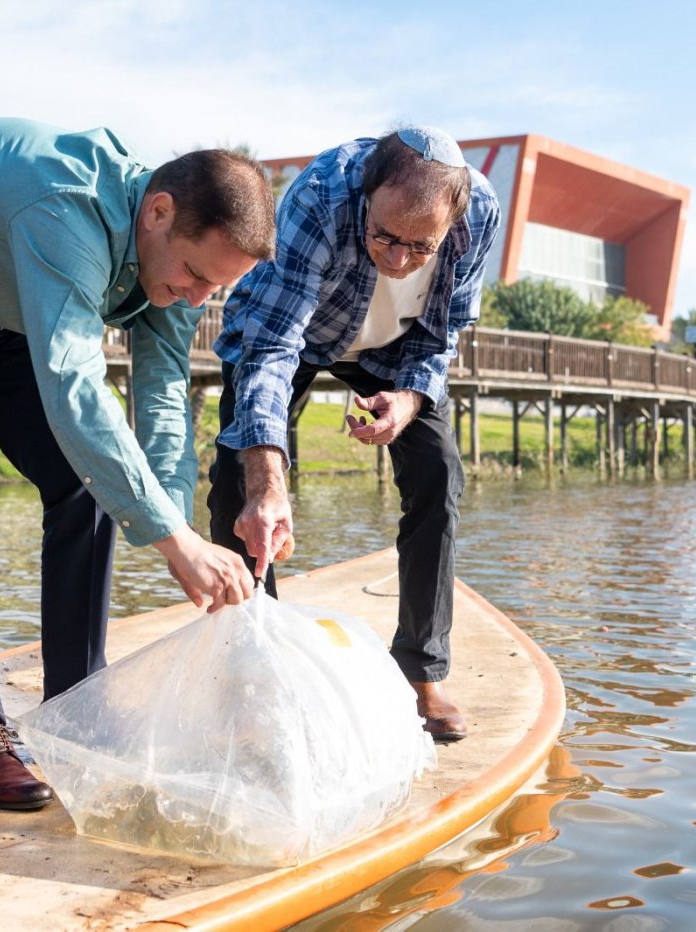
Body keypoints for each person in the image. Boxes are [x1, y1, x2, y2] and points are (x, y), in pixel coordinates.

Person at [0, 118, 276, 811]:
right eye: (194, 275)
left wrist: (178, 528)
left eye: (214, 287)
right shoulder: (65, 207)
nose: (196, 296)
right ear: (158, 212)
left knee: (85, 481)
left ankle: (75, 712)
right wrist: (171, 540)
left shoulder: (176, 269)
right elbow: (74, 389)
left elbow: (158, 403)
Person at [208, 126, 500, 742]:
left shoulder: (482, 213)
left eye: (420, 247)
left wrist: (410, 396)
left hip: (397, 352)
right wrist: (267, 481)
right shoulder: (322, 191)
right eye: (384, 235)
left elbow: (441, 334)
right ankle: (255, 674)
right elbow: (274, 344)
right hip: (298, 330)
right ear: (367, 194)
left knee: (439, 472)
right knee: (239, 479)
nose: (397, 259)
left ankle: (421, 671)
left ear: (451, 221)